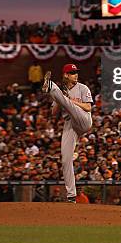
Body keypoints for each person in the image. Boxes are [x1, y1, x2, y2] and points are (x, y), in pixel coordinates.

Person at [42, 63, 93, 203]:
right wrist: (61, 100)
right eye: (72, 72)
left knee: (70, 105)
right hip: (70, 124)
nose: (75, 74)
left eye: (76, 72)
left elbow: (88, 107)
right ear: (65, 75)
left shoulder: (83, 88)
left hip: (83, 119)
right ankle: (71, 196)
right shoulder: (63, 92)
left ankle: (51, 86)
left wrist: (68, 101)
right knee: (65, 159)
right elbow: (53, 113)